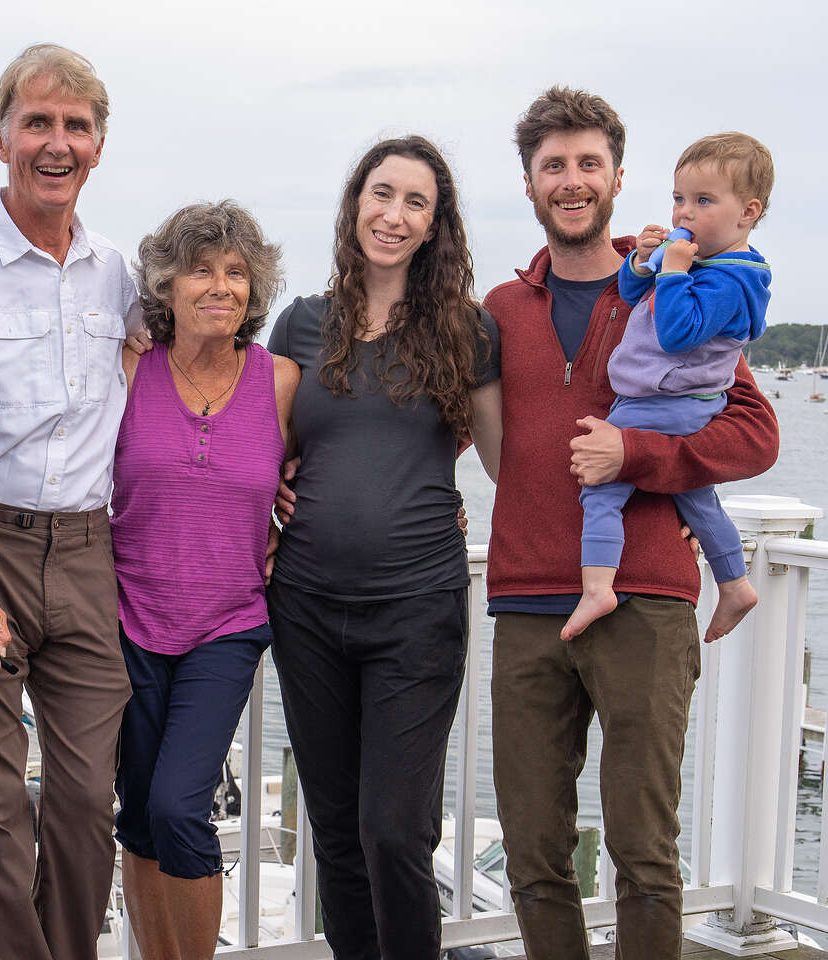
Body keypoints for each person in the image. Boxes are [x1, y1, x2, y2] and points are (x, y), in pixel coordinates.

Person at [484, 88, 778, 960]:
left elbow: (752, 433)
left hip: (646, 596)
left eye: (587, 164)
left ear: (616, 177)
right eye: (552, 167)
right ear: (531, 184)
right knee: (535, 854)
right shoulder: (500, 307)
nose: (570, 181)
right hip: (526, 599)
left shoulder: (674, 288)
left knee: (643, 852)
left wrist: (636, 457)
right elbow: (439, 421)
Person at [0, 43, 141, 960]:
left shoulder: (118, 274)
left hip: (89, 555)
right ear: (1, 135)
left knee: (88, 800)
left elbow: (185, 376)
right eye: (38, 122)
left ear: (99, 147)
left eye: (75, 126)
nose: (57, 142)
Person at [268, 136, 502, 960]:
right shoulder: (300, 323)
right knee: (335, 830)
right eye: (382, 193)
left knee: (394, 832)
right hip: (304, 605)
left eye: (416, 203)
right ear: (355, 201)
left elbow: (507, 461)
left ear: (437, 226)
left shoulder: (466, 330)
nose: (394, 215)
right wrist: (277, 489)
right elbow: (261, 450)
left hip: (417, 609)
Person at [111, 201, 296, 960]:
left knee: (180, 806)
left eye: (236, 273)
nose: (220, 286)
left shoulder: (281, 379)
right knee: (138, 815)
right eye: (201, 270)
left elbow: (319, 477)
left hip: (228, 622)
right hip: (126, 618)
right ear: (167, 286)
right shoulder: (128, 369)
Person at [564, 132, 774, 643]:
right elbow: (634, 292)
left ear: (747, 212)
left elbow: (677, 333)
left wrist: (676, 272)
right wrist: (643, 260)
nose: (685, 212)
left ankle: (597, 587)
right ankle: (735, 583)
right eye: (679, 198)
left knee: (601, 484)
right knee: (697, 499)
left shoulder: (732, 281)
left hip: (670, 401)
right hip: (663, 399)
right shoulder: (694, 257)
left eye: (703, 201)